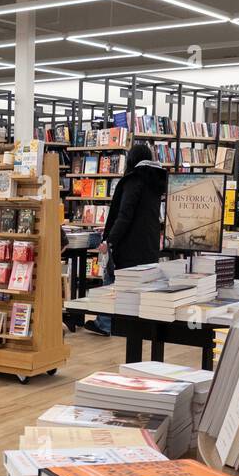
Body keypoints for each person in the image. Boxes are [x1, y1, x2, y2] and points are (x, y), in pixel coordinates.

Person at [87, 141, 167, 336]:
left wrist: (110, 240)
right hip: (148, 243)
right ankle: (136, 324)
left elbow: (125, 215)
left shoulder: (134, 181)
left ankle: (105, 323)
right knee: (140, 285)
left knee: (113, 281)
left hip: (129, 244)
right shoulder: (156, 181)